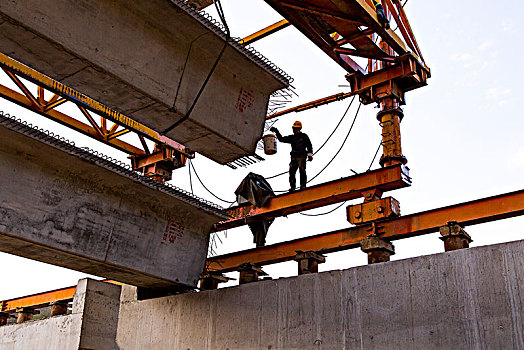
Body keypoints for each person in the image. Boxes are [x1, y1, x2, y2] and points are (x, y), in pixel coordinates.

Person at [270, 121, 313, 192]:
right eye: (294, 129)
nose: (294, 130)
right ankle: (293, 187)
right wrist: (276, 131)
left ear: (299, 129)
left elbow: (309, 145)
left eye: (296, 129)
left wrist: (309, 155)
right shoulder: (292, 137)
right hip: (294, 157)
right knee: (292, 172)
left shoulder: (304, 136)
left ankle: (303, 186)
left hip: (301, 156)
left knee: (302, 171)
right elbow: (281, 139)